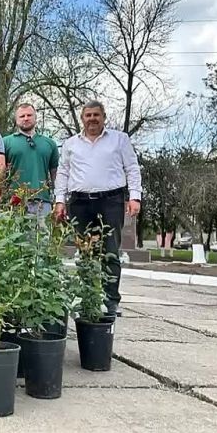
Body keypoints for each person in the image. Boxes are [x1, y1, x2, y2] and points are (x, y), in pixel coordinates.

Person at [53, 100, 142, 316]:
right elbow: (63, 172)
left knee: (110, 250)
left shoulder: (119, 140)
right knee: (84, 252)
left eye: (96, 115)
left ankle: (110, 300)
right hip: (79, 202)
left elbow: (131, 168)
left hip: (110, 201)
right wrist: (59, 200)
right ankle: (87, 297)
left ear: (104, 117)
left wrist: (135, 197)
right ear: (82, 118)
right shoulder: (71, 144)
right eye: (88, 115)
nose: (92, 119)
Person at [3, 103, 60, 224]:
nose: (26, 118)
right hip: (14, 202)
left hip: (42, 202)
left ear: (35, 117)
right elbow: (0, 173)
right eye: (22, 116)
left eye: (29, 115)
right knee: (15, 241)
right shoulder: (6, 142)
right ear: (16, 119)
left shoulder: (49, 143)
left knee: (43, 241)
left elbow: (55, 175)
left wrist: (59, 200)